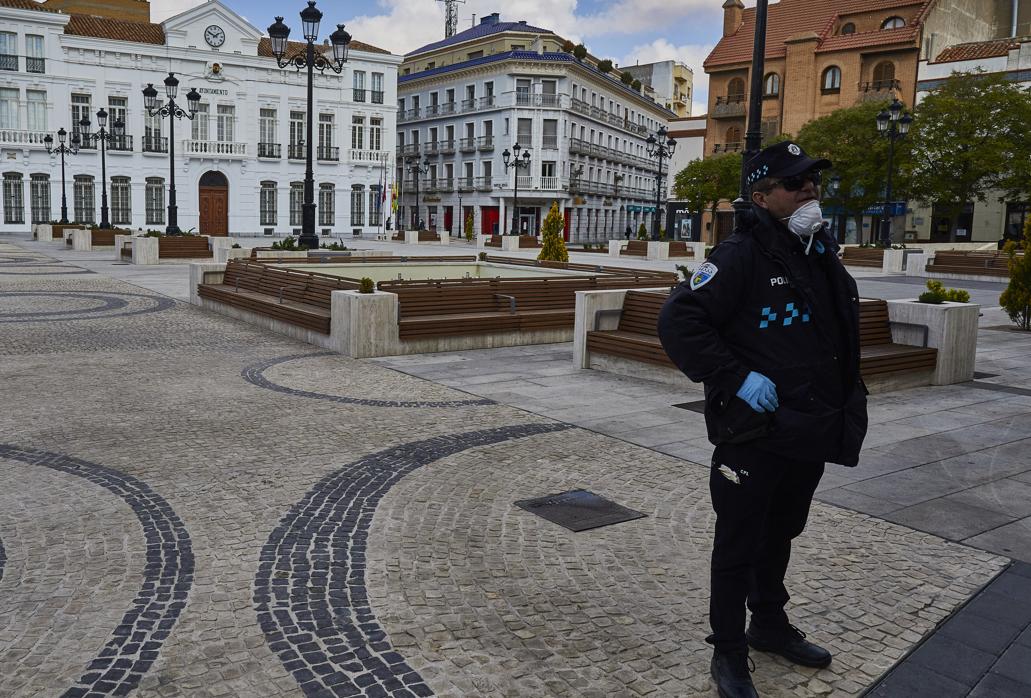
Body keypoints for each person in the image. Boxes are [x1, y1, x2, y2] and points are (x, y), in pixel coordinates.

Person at [657, 141, 868, 698]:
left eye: (812, 182)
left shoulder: (818, 250)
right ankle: (728, 652)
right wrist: (735, 378)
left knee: (781, 533)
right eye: (795, 184)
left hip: (808, 425)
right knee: (738, 543)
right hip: (753, 432)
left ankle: (768, 625)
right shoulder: (739, 256)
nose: (809, 191)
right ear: (761, 196)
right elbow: (680, 322)